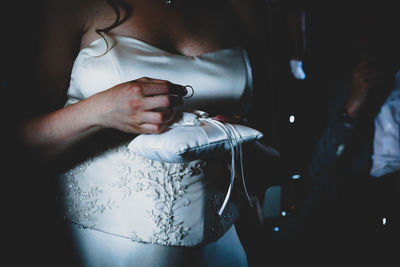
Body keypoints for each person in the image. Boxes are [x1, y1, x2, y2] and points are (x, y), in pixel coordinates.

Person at [5, 0, 276, 266]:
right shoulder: (67, 6)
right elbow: (16, 148)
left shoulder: (245, 5)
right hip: (108, 248)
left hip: (222, 247)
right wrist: (100, 111)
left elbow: (273, 151)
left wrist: (241, 148)